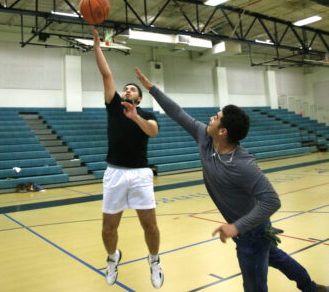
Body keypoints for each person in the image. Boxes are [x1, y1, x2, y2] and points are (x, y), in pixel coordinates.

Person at [133, 66, 328, 292]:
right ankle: (312, 288)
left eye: (216, 117)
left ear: (223, 131)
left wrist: (237, 227)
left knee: (254, 286)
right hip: (253, 231)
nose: (211, 118)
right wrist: (151, 89)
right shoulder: (205, 137)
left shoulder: (243, 164)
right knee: (278, 259)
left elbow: (272, 200)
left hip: (251, 234)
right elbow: (177, 113)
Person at [91, 26, 164, 289]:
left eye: (133, 89)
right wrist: (98, 48)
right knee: (108, 228)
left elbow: (153, 133)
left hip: (140, 174)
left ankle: (154, 261)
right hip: (115, 173)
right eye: (126, 88)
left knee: (150, 226)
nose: (128, 90)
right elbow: (106, 73)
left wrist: (136, 117)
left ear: (140, 97)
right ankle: (112, 258)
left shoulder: (148, 115)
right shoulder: (113, 107)